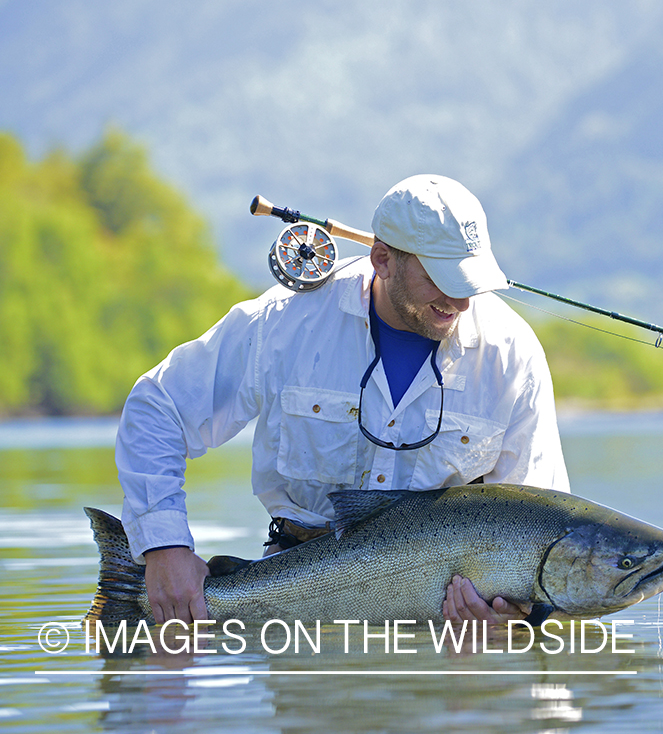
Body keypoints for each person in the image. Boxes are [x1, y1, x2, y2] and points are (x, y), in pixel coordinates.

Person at [115, 174, 570, 626]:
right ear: (382, 260)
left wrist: (515, 615)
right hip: (292, 612)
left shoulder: (514, 356)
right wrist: (164, 546)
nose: (461, 301)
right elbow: (158, 407)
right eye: (442, 277)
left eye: (471, 280)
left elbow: (539, 517)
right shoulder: (284, 322)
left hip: (444, 630)